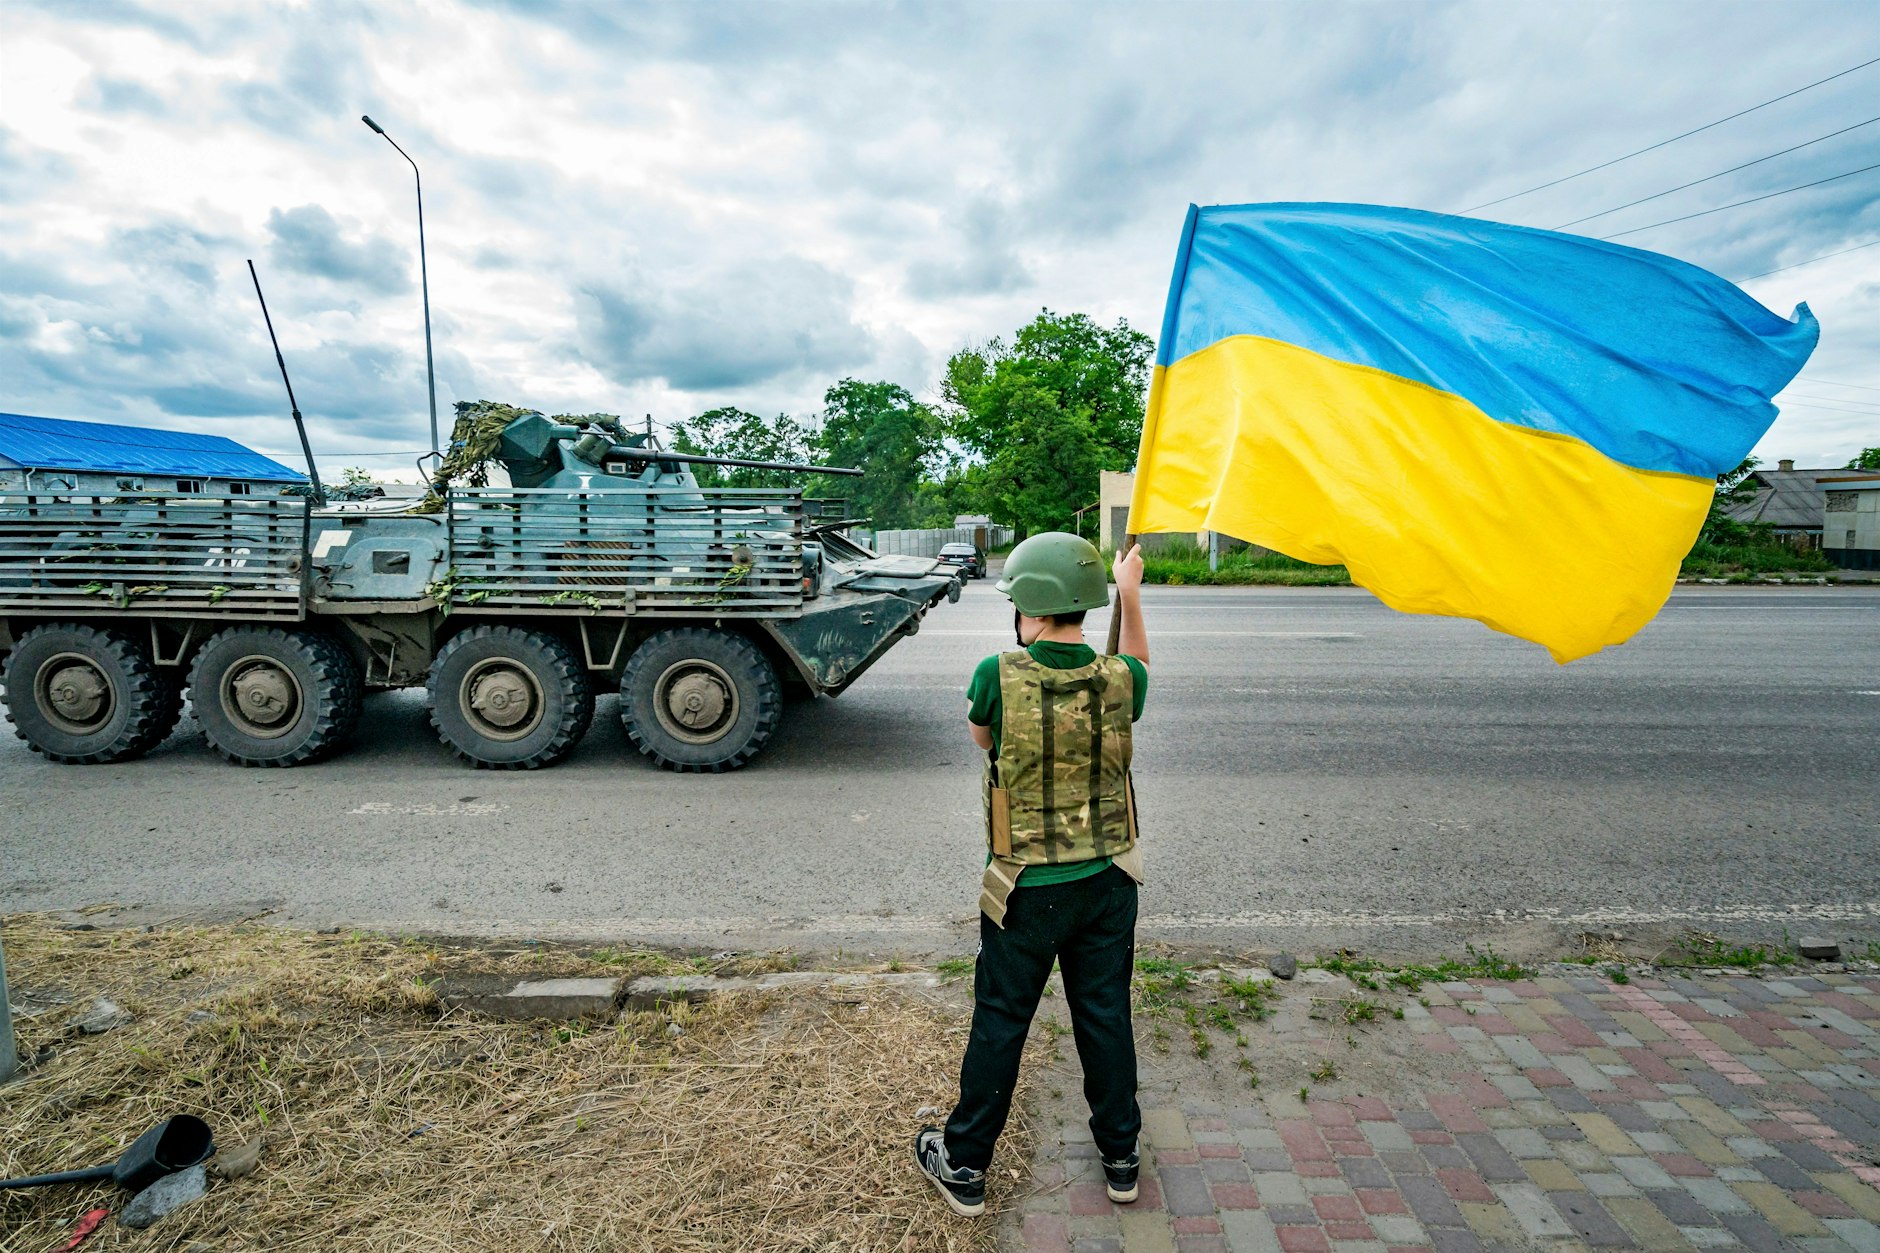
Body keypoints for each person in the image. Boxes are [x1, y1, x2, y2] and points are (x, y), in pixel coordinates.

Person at [915, 533, 1149, 1217]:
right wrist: (1131, 596)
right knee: (1104, 1015)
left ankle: (964, 1164)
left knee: (1001, 1020)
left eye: (1017, 603)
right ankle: (1122, 1156)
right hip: (1108, 880)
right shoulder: (1120, 679)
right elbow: (1138, 664)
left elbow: (983, 740)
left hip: (1024, 887)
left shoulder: (996, 673)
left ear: (1037, 610)